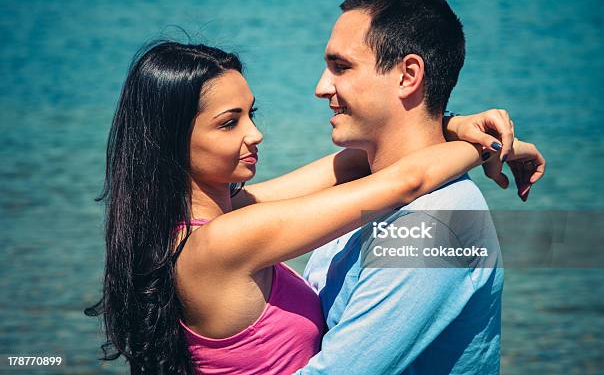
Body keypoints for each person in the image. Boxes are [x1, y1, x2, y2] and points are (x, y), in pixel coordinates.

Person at [85, 36, 543, 375]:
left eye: (252, 114)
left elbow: (350, 165)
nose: (254, 134)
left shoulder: (216, 218)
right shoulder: (225, 240)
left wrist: (452, 123)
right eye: (229, 123)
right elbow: (406, 181)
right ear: (172, 140)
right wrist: (494, 146)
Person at [294, 0, 545, 375]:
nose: (321, 87)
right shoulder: (365, 182)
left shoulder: (432, 228)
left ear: (408, 75)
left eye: (341, 67)